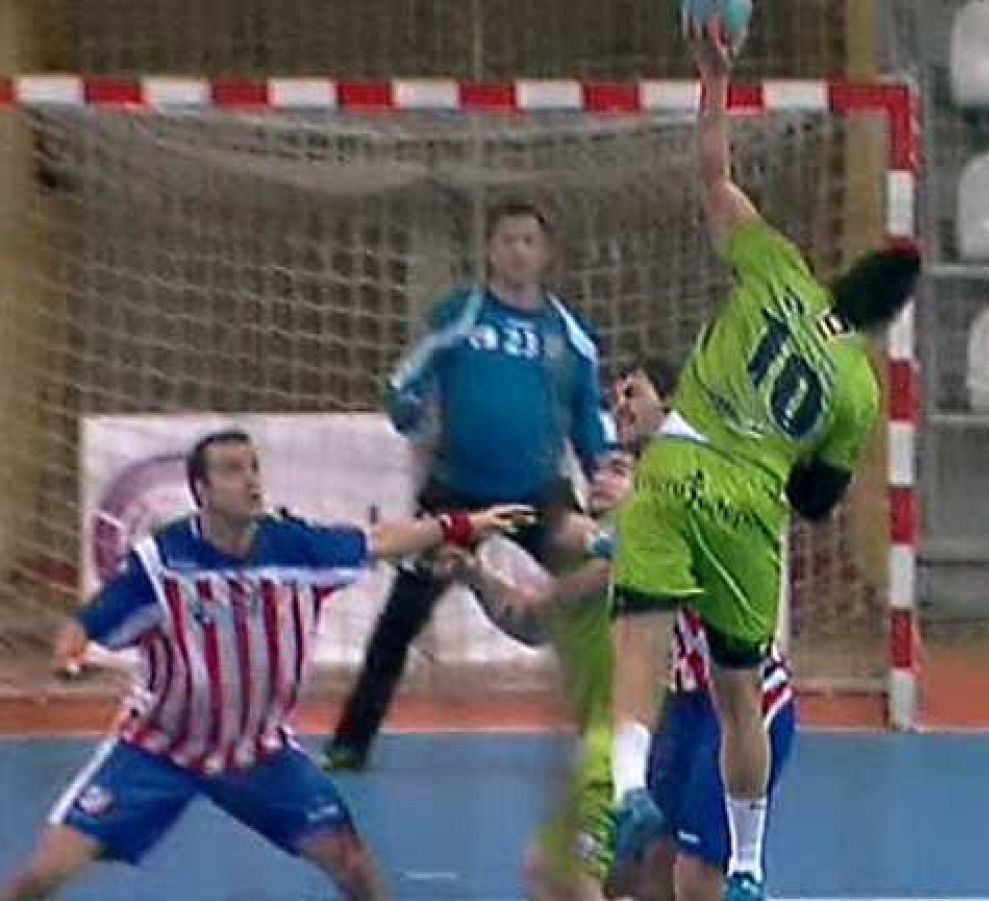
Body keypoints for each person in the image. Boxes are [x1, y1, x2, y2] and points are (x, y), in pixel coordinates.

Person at [607, 21, 920, 901]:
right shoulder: (856, 384)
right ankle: (748, 863)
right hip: (750, 505)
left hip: (680, 465)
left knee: (639, 638)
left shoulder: (777, 269)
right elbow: (819, 499)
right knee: (738, 688)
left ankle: (627, 788)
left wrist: (714, 77)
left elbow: (714, 176)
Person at [0, 429, 533, 901]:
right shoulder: (163, 563)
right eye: (233, 471)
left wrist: (462, 524)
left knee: (353, 865)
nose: (251, 480)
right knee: (44, 875)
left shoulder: (295, 548)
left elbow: (381, 540)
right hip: (159, 750)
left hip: (259, 753)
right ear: (201, 490)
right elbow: (86, 622)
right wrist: (68, 651)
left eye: (254, 467)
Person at [446, 356, 797, 901]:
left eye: (632, 393)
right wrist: (474, 564)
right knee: (638, 873)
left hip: (741, 701)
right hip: (679, 710)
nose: (620, 407)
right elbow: (544, 603)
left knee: (695, 879)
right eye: (613, 399)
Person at [322, 199, 609, 771]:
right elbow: (406, 380)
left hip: (541, 494)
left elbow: (589, 418)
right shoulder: (461, 313)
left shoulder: (571, 334)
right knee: (401, 616)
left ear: (546, 252)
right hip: (455, 494)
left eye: (529, 240)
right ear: (490, 249)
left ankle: (605, 732)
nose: (518, 251)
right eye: (507, 240)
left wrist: (605, 476)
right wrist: (407, 408)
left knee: (593, 606)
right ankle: (351, 742)